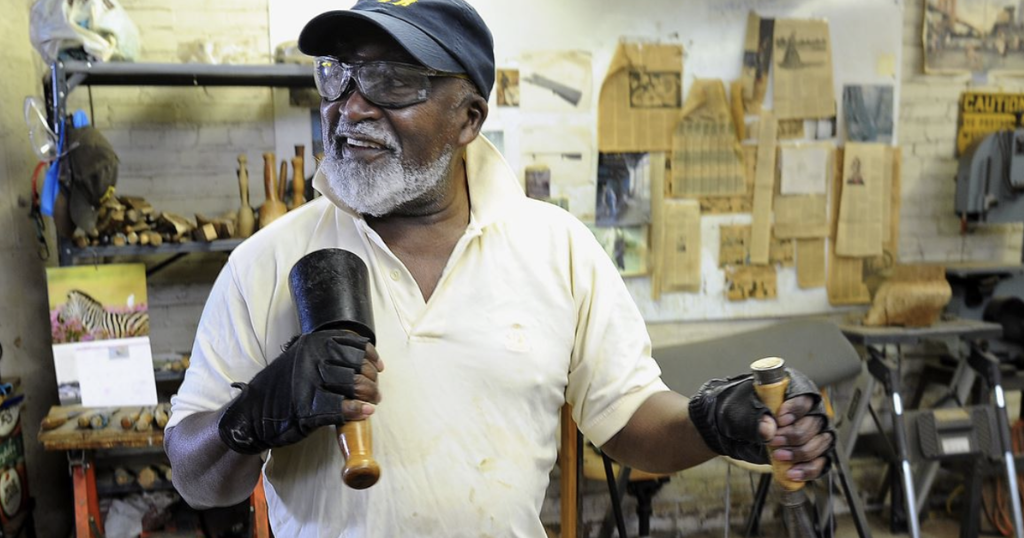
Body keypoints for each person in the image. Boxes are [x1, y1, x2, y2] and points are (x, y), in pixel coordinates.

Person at [164, 1, 834, 536]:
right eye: (338, 72)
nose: (353, 106)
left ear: (469, 118)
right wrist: (253, 415)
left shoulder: (556, 249)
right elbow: (196, 479)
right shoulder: (266, 262)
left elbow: (629, 420)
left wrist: (715, 422)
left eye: (394, 80)